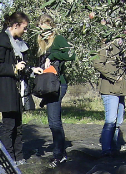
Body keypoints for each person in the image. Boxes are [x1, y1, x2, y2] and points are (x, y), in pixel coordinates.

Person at [0, 11, 43, 164]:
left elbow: (20, 65)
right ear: (16, 25)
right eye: (24, 27)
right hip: (5, 88)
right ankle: (9, 159)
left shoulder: (18, 43)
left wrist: (31, 70)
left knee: (18, 124)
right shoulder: (1, 41)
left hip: (16, 87)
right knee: (9, 125)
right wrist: (13, 68)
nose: (26, 31)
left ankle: (19, 156)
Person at [36, 13, 75, 166]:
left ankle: (58, 155)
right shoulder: (42, 44)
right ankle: (62, 154)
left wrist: (52, 55)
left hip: (58, 84)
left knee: (53, 122)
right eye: (40, 27)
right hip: (48, 85)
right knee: (54, 121)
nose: (42, 30)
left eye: (45, 26)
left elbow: (72, 55)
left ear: (51, 27)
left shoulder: (58, 40)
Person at [91, 39, 126, 157]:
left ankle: (113, 148)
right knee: (110, 121)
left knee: (118, 122)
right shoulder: (106, 46)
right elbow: (96, 63)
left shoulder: (122, 48)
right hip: (110, 89)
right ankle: (106, 150)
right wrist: (114, 77)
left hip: (121, 90)